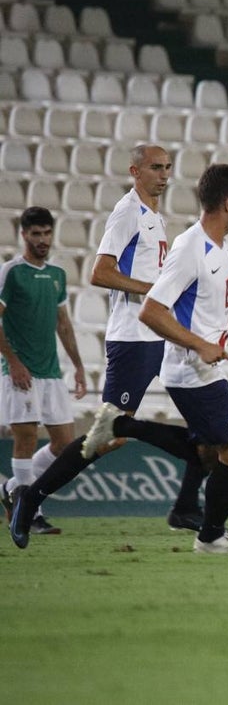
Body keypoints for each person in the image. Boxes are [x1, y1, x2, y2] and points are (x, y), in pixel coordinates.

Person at [12, 164, 228, 553]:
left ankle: (186, 508)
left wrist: (227, 334)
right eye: (157, 167)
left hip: (156, 341)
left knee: (203, 446)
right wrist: (175, 314)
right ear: (136, 171)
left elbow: (192, 298)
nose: (165, 174)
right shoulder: (132, 214)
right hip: (134, 337)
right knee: (108, 435)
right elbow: (105, 274)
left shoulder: (168, 225)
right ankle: (31, 497)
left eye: (169, 168)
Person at [0, 207, 86, 536]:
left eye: (47, 233)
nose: (42, 239)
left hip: (51, 373)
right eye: (35, 233)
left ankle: (12, 489)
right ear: (23, 235)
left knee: (65, 444)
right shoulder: (11, 272)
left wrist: (78, 365)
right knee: (26, 437)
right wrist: (14, 362)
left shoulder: (56, 275)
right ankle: (29, 512)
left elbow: (62, 323)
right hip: (20, 372)